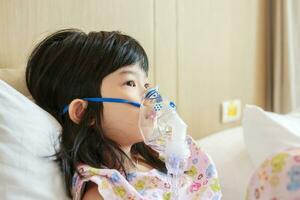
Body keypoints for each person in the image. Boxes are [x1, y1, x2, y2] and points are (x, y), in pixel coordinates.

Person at [25, 29, 222, 200]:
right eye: (130, 83)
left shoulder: (161, 152)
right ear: (84, 113)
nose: (150, 95)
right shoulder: (105, 191)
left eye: (145, 84)